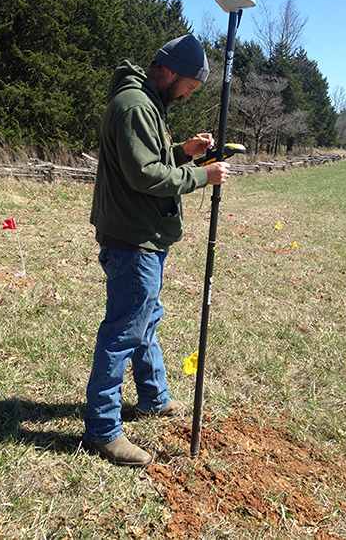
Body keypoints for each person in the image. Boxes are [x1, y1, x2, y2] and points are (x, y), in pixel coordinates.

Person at [83, 35, 229, 467]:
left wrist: (183, 152)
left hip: (142, 235)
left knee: (144, 320)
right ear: (168, 70)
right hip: (133, 240)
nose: (187, 95)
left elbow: (150, 157)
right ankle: (103, 430)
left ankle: (153, 398)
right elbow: (145, 175)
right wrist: (204, 176)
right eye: (189, 86)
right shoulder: (134, 105)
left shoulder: (147, 103)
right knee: (124, 331)